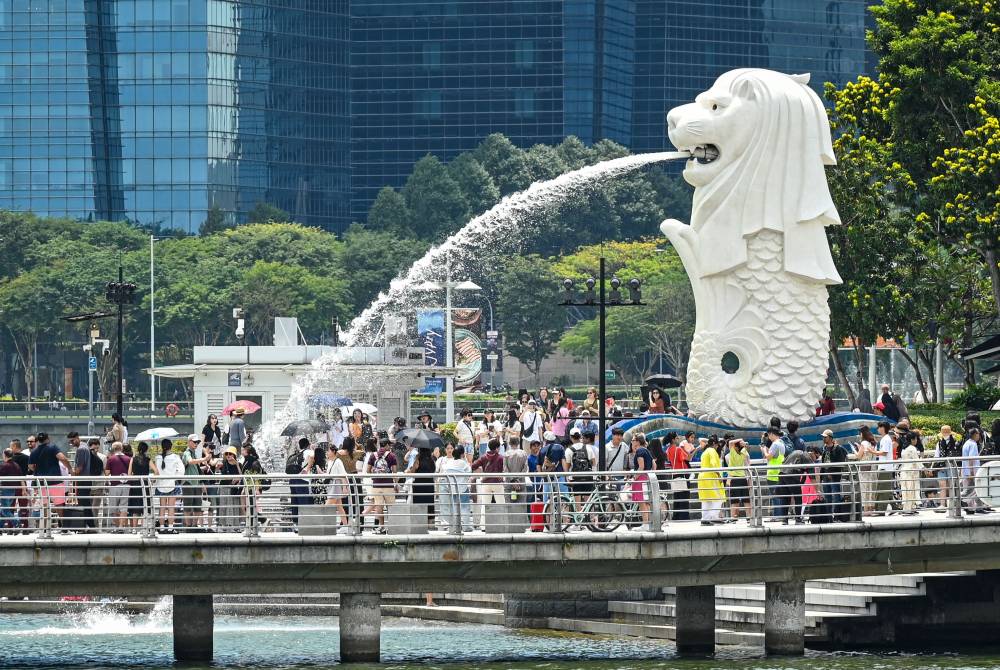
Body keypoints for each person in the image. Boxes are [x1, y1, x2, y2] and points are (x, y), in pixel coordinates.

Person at [471, 439, 505, 530]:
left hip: (486, 483)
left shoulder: (483, 457)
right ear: (497, 448)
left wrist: (481, 472)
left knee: (485, 505)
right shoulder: (501, 458)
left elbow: (473, 466)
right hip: (497, 483)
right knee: (501, 504)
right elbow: (504, 469)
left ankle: (483, 526)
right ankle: (502, 524)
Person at [365, 440, 398, 533]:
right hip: (388, 484)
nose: (390, 447)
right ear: (386, 445)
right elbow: (394, 472)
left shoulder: (373, 455)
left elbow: (368, 471)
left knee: (379, 506)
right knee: (390, 506)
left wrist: (376, 472)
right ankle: (392, 527)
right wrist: (396, 484)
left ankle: (381, 527)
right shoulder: (391, 456)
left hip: (376, 484)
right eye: (389, 445)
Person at [440, 445, 473, 532]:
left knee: (454, 508)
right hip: (462, 488)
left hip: (452, 489)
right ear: (462, 454)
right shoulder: (463, 463)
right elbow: (469, 472)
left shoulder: (449, 463)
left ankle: (454, 527)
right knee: (465, 507)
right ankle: (466, 526)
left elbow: (444, 471)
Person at [180, 434, 208, 530]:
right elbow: (190, 461)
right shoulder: (187, 453)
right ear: (189, 442)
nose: (196, 444)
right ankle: (188, 527)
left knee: (198, 505)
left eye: (197, 442)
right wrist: (203, 459)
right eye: (194, 442)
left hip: (196, 482)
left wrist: (203, 467)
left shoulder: (194, 453)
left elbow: (194, 467)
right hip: (188, 482)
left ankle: (195, 526)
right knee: (187, 505)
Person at [155, 440, 183, 532]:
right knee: (171, 507)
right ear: (171, 446)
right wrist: (175, 478)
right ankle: (171, 528)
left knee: (162, 507)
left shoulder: (158, 457)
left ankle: (162, 528)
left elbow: (157, 472)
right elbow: (181, 471)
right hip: (172, 484)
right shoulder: (175, 457)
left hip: (161, 485)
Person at [127, 442, 157, 527]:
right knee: (145, 506)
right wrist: (152, 481)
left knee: (135, 507)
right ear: (146, 450)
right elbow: (156, 471)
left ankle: (134, 528)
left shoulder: (133, 459)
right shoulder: (148, 459)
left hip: (135, 484)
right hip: (145, 483)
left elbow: (129, 474)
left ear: (138, 449)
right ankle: (145, 527)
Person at [698, 437, 726, 524]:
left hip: (703, 477)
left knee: (707, 499)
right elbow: (714, 464)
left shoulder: (705, 452)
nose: (718, 447)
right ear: (714, 444)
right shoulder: (712, 451)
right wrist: (719, 476)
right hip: (711, 477)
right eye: (717, 445)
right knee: (719, 497)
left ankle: (705, 519)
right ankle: (714, 516)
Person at [629, 433, 654, 530]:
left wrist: (633, 478)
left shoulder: (639, 451)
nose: (632, 442)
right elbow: (654, 465)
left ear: (637, 441)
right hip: (647, 478)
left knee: (641, 503)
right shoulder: (647, 450)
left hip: (640, 479)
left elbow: (641, 466)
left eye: (633, 440)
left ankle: (645, 524)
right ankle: (647, 523)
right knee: (646, 503)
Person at [105, 442, 131, 529]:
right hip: (127, 485)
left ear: (113, 449)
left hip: (114, 485)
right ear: (122, 448)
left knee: (113, 507)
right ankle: (121, 527)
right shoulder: (129, 459)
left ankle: (116, 527)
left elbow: (107, 473)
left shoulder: (111, 459)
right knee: (124, 507)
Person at [872, 422, 897, 514]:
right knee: (885, 488)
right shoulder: (885, 439)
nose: (878, 429)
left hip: (885, 468)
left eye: (879, 427)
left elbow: (884, 452)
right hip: (885, 467)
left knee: (882, 489)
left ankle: (880, 510)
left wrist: (873, 452)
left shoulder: (886, 439)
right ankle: (895, 507)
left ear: (883, 428)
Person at [217, 446, 243, 530]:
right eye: (227, 454)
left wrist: (237, 464)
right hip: (224, 487)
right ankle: (223, 525)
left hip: (233, 488)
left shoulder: (238, 464)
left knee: (233, 506)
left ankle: (234, 525)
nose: (228, 456)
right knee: (224, 506)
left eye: (230, 454)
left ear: (234, 455)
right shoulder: (223, 463)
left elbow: (241, 475)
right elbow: (222, 475)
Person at [0, 448, 26, 529]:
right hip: (13, 491)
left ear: (5, 455)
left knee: (5, 510)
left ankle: (17, 523)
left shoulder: (4, 466)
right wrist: (24, 489)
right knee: (3, 511)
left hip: (4, 491)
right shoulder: (16, 465)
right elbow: (21, 478)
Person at [725, 438, 749, 520]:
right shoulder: (743, 453)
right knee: (747, 500)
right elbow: (745, 446)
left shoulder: (732, 453)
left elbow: (730, 442)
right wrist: (743, 444)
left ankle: (733, 517)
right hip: (743, 478)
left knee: (734, 500)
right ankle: (749, 517)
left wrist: (740, 440)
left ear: (735, 447)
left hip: (734, 479)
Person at [899, 437, 922, 513]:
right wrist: (923, 468)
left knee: (906, 490)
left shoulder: (904, 448)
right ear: (912, 439)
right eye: (915, 439)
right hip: (911, 471)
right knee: (911, 490)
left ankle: (908, 508)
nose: (916, 441)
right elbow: (917, 460)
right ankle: (909, 509)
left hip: (904, 470)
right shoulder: (912, 448)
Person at [962, 427, 982, 511]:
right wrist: (972, 472)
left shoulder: (967, 443)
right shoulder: (973, 444)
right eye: (978, 434)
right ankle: (963, 501)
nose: (979, 436)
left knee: (970, 489)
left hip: (966, 470)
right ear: (975, 434)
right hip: (973, 471)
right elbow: (971, 459)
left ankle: (976, 507)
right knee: (977, 488)